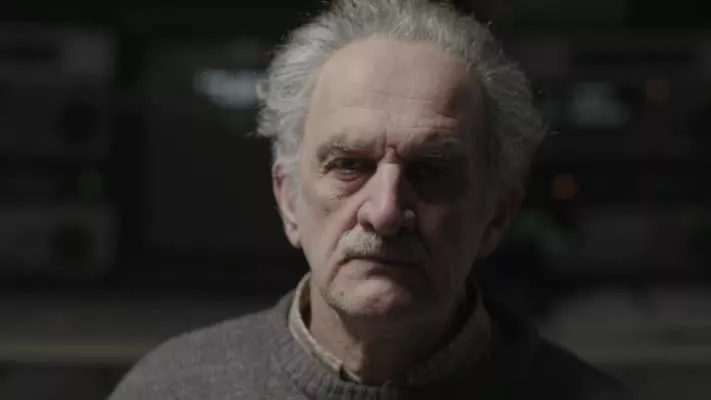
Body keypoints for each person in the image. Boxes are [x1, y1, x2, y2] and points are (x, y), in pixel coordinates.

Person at [109, 0, 630, 399]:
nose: (384, 212)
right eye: (348, 165)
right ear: (288, 198)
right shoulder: (169, 390)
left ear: (496, 215)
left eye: (431, 170)